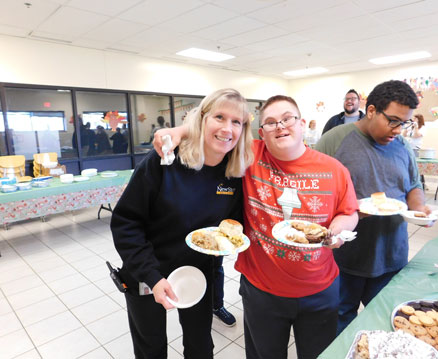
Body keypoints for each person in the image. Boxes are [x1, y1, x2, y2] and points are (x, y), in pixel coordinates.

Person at [154, 95, 359, 358]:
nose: (280, 126)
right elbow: (216, 129)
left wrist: (337, 232)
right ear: (261, 132)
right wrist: (178, 131)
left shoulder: (334, 169)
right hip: (262, 290)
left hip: (319, 290)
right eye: (271, 123)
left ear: (302, 123)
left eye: (287, 119)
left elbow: (348, 212)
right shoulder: (249, 155)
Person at [111, 88, 254, 359]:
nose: (227, 128)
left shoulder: (233, 174)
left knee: (200, 346)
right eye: (219, 117)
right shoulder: (165, 160)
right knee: (150, 347)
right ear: (201, 120)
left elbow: (231, 224)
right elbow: (125, 222)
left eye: (237, 122)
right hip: (146, 272)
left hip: (196, 272)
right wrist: (153, 277)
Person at [316, 80, 431, 335]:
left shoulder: (402, 147)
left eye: (405, 123)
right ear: (371, 111)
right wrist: (353, 211)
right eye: (393, 120)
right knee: (339, 322)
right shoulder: (334, 141)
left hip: (391, 255)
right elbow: (314, 192)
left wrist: (419, 209)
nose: (399, 130)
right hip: (344, 258)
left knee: (385, 322)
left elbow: (412, 185)